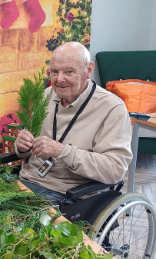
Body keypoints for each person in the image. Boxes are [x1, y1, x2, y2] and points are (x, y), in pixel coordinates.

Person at [15, 41, 133, 205]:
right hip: (27, 182)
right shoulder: (45, 96)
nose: (60, 79)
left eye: (69, 71)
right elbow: (27, 148)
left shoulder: (112, 109)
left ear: (89, 70)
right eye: (54, 72)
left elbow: (114, 170)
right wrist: (21, 146)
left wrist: (62, 151)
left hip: (68, 194)